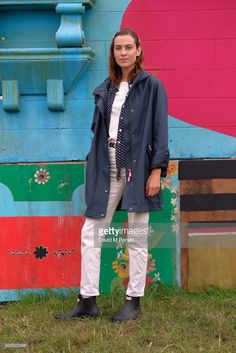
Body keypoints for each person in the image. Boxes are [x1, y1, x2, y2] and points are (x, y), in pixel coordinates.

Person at [55, 28, 169, 322]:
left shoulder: (152, 86)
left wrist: (156, 170)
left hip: (139, 169)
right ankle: (88, 300)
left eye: (128, 47)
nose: (123, 53)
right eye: (118, 48)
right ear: (113, 53)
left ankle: (133, 301)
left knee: (138, 236)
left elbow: (160, 132)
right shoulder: (104, 88)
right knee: (91, 232)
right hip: (106, 167)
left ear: (138, 50)